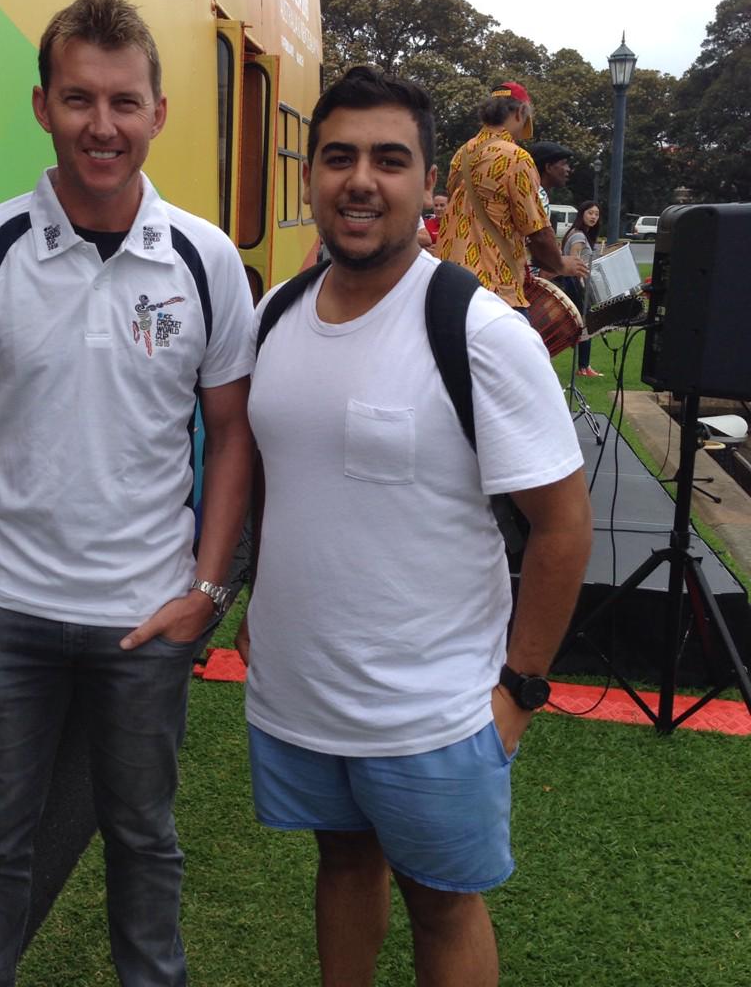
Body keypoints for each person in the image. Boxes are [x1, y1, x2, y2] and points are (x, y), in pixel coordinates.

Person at [0, 0, 254, 987]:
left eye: (124, 102)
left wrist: (206, 589)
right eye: (80, 99)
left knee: (144, 840)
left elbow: (231, 437)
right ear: (44, 103)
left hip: (146, 617)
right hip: (5, 611)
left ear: (157, 113)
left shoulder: (204, 259)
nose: (103, 125)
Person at [237, 66, 592, 987]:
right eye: (339, 157)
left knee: (442, 905)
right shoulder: (274, 317)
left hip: (434, 712)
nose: (361, 180)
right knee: (343, 862)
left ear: (427, 183)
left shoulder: (478, 331)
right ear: (310, 174)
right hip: (302, 694)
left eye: (389, 160)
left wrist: (520, 689)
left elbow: (562, 526)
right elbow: (281, 472)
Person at [438, 82, 587, 313]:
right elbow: (538, 231)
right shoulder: (516, 157)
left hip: (451, 284)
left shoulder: (462, 153)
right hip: (494, 290)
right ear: (520, 113)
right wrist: (560, 264)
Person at [561, 200, 603, 376]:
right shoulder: (578, 236)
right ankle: (584, 367)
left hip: (574, 284)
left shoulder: (577, 233)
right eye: (590, 213)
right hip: (575, 285)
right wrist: (582, 286)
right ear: (582, 214)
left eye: (596, 214)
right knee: (586, 325)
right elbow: (574, 262)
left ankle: (584, 366)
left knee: (583, 325)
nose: (593, 217)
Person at [528, 141, 574, 221]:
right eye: (564, 164)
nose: (568, 169)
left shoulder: (531, 193)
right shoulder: (537, 198)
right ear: (548, 167)